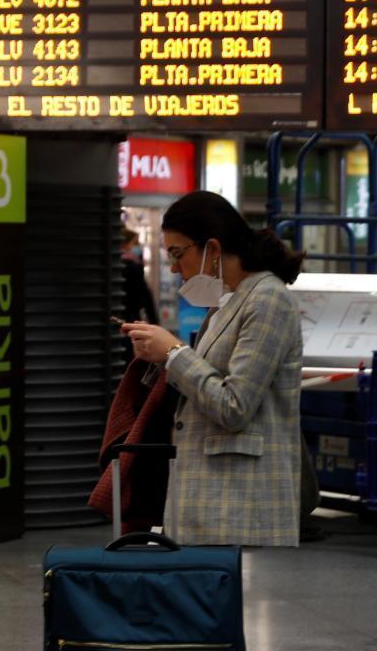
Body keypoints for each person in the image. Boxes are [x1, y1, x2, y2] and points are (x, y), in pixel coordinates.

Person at [122, 191, 306, 547]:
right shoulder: (229, 302)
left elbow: (234, 406)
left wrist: (174, 352)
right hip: (210, 502)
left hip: (241, 505)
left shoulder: (268, 299)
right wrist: (159, 355)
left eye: (178, 254)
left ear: (214, 249)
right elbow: (203, 385)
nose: (174, 268)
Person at [120, 229, 159, 325]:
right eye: (135, 243)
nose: (137, 246)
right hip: (131, 316)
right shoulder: (133, 265)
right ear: (125, 244)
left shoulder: (114, 265)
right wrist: (154, 322)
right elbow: (145, 294)